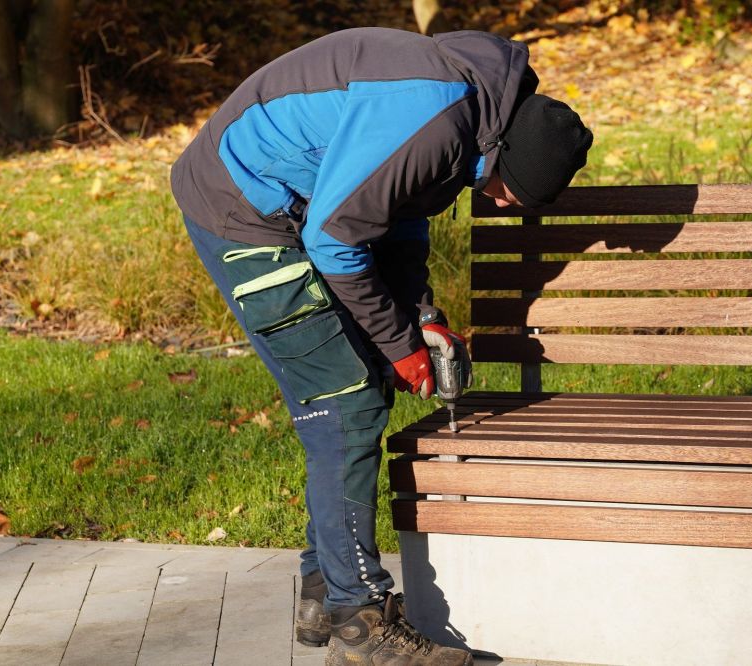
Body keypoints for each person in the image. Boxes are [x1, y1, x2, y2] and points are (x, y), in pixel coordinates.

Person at [170, 26, 592, 666]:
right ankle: (360, 626)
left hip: (302, 213)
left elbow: (395, 217)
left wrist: (419, 316)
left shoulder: (470, 111)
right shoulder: (435, 119)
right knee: (347, 404)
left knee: (356, 390)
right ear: (507, 157)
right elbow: (338, 239)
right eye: (512, 194)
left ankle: (322, 592)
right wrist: (400, 346)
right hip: (242, 208)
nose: (503, 205)